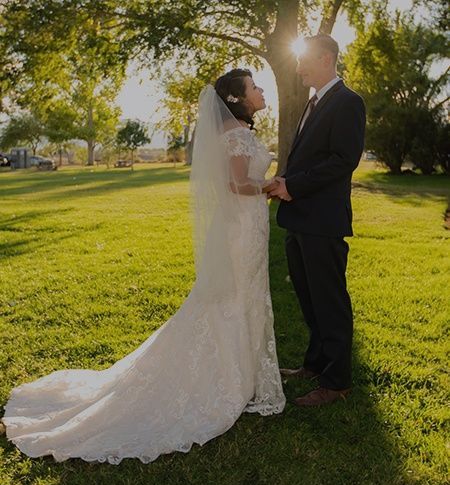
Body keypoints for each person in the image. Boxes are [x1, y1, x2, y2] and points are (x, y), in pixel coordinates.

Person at [0, 69, 285, 464]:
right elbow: (237, 185)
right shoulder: (235, 135)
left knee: (242, 297)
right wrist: (272, 185)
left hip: (246, 228)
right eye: (254, 87)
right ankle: (226, 383)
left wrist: (265, 187)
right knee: (231, 299)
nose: (260, 91)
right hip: (240, 232)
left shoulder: (235, 132)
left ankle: (242, 375)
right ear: (237, 99)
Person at [268, 34, 366, 407]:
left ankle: (337, 381)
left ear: (326, 59)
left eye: (303, 60)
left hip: (323, 220)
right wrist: (283, 183)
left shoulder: (348, 102)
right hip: (300, 218)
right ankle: (315, 364)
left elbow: (343, 160)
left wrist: (293, 186)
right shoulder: (314, 102)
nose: (298, 67)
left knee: (329, 301)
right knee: (309, 297)